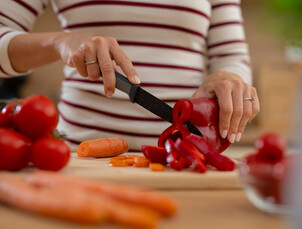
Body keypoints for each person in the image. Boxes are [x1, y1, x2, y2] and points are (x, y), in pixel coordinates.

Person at [0, 0, 259, 151]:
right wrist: (59, 42)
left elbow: (231, 55)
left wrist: (227, 78)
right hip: (81, 158)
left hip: (184, 158)